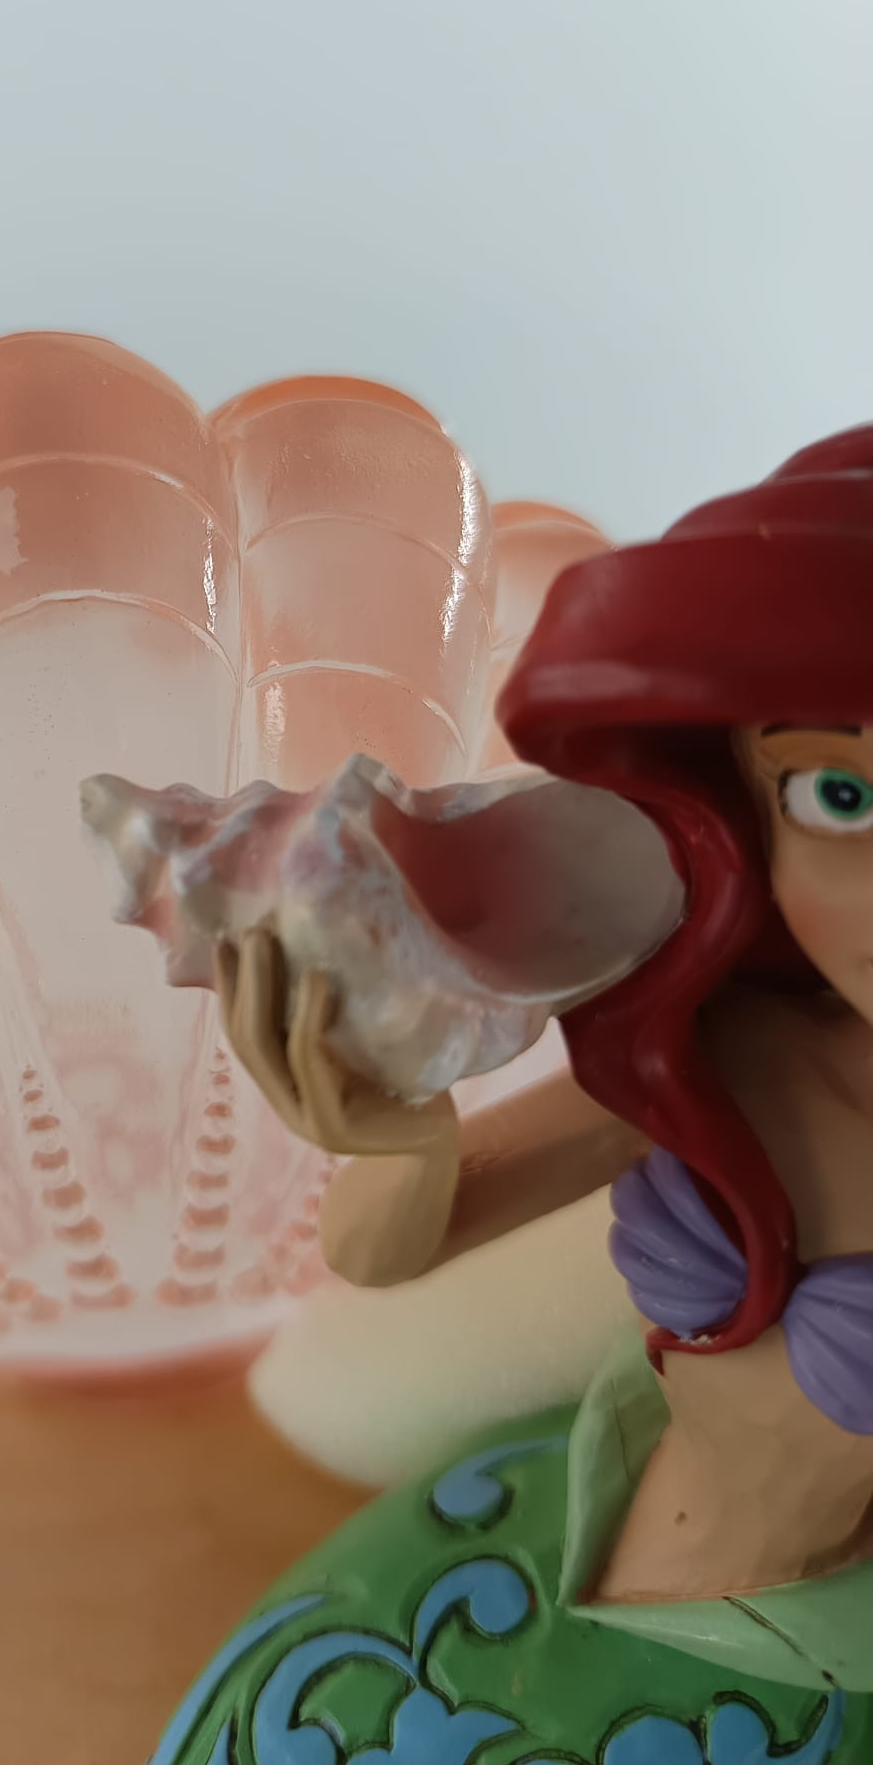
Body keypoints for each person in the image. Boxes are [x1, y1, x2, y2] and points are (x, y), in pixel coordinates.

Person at [154, 428, 873, 1763]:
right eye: (841, 796)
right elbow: (387, 1252)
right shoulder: (734, 1054)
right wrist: (396, 1141)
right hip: (615, 1539)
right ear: (745, 805)